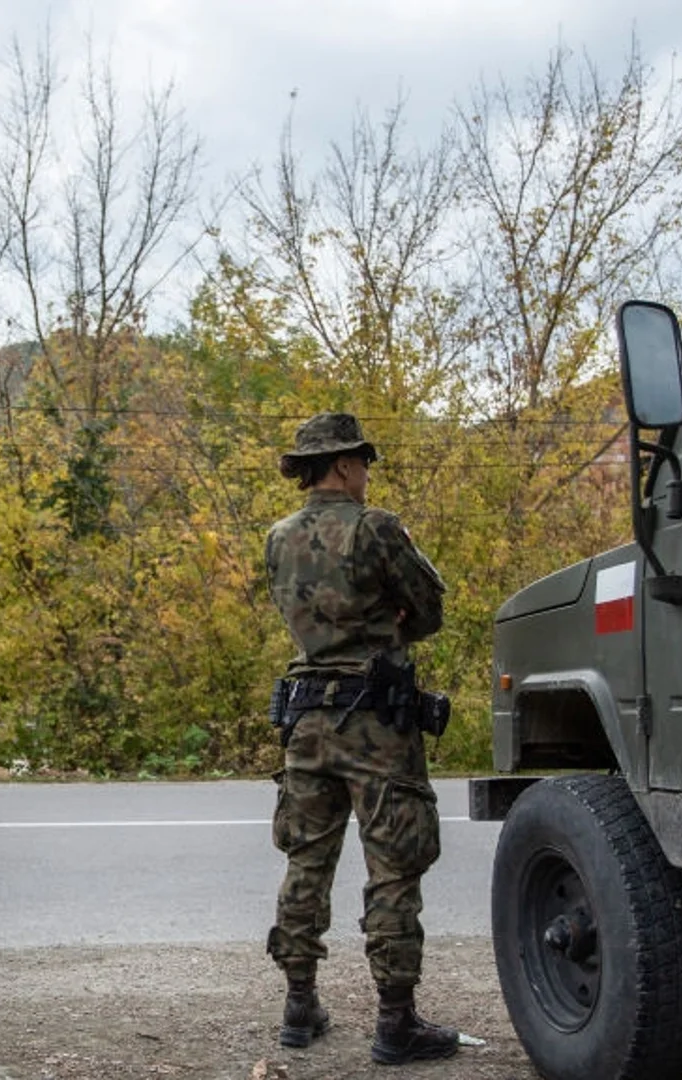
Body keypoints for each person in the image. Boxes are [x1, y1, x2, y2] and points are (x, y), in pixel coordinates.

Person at [262, 412, 462, 1065]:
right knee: (394, 867)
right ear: (344, 464)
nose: (367, 474)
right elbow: (429, 607)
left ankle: (299, 1006)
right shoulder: (374, 528)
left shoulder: (278, 538)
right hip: (375, 721)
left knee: (306, 861)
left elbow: (302, 615)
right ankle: (395, 1023)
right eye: (364, 463)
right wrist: (392, 617)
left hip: (305, 720)